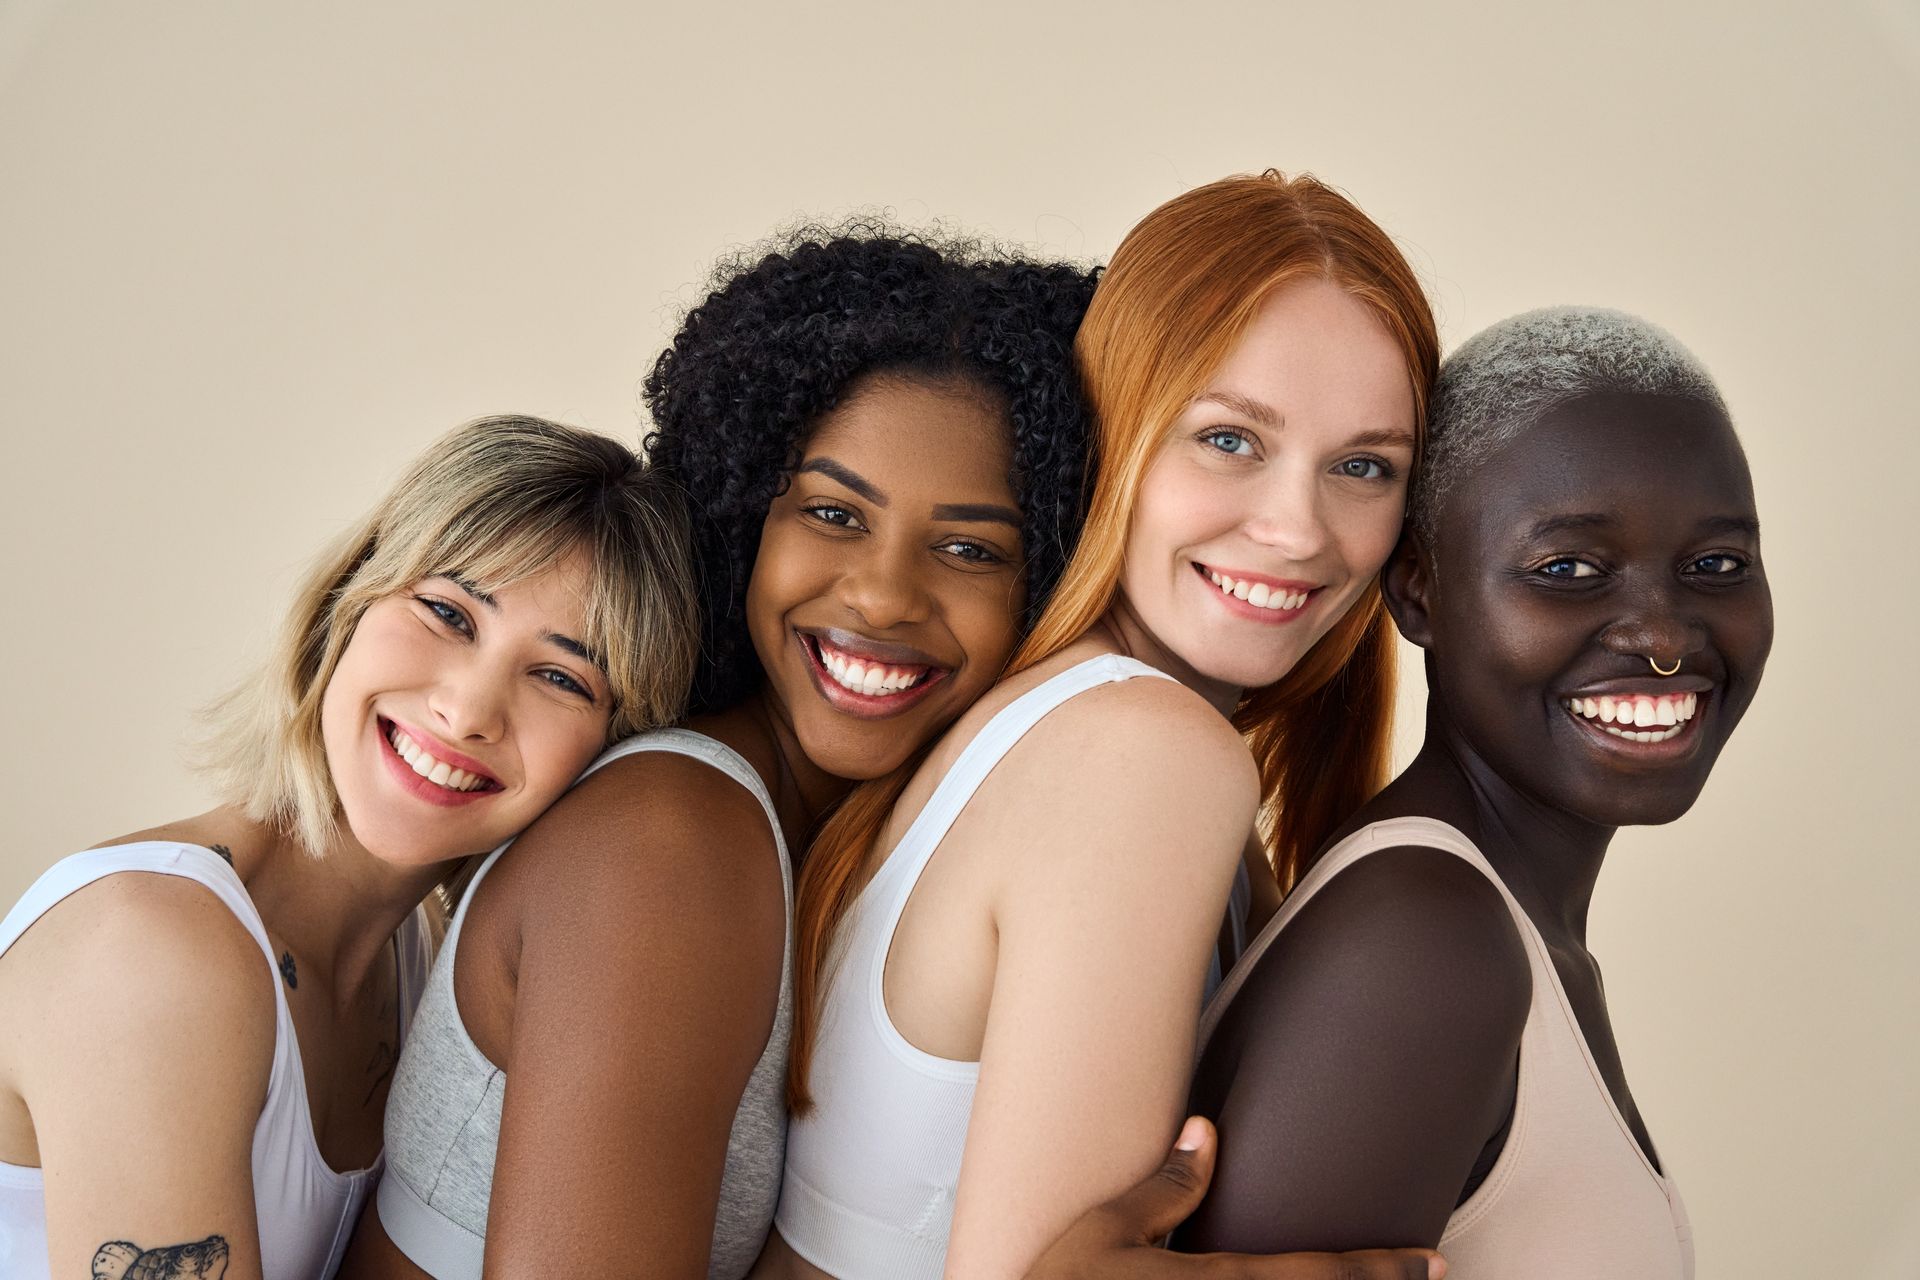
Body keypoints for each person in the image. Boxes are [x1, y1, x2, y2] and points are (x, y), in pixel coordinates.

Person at [338, 231, 1102, 1280]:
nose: (882, 593)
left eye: (972, 548)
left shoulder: (826, 847)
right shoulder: (670, 843)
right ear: (745, 522)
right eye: (832, 513)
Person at [761, 170, 1441, 1280]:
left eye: (1364, 466)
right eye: (1229, 439)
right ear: (1117, 429)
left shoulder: (1075, 729)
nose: (1295, 527)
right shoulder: (1142, 753)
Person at [0, 415, 700, 1280]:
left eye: (561, 677)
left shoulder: (424, 969)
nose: (469, 710)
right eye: (448, 613)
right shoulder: (147, 949)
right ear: (350, 599)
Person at [1181, 307, 1771, 1278]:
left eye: (1716, 565)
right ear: (1419, 590)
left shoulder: (1500, 928)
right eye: (1568, 569)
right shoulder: (1424, 943)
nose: (1666, 635)